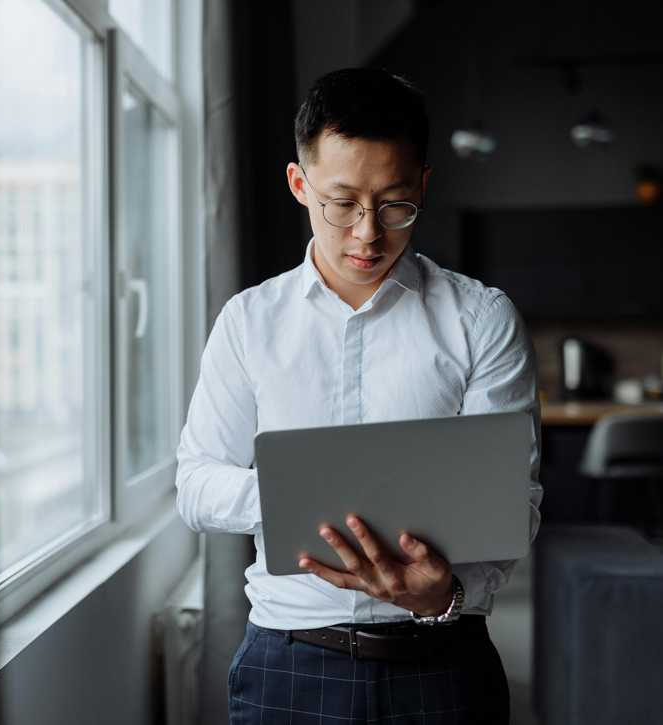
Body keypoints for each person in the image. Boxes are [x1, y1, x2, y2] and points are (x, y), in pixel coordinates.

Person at [175, 68, 541, 724]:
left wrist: (445, 594)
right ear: (298, 184)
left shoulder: (480, 318)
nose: (367, 233)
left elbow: (514, 502)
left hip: (442, 660)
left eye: (394, 202)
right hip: (286, 663)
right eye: (340, 203)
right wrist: (307, 493)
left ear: (423, 184)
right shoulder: (247, 321)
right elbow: (196, 483)